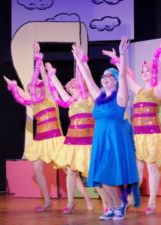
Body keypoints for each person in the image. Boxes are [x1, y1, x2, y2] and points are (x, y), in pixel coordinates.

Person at [102, 36, 161, 215]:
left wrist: (160, 51)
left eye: (148, 71)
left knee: (151, 167)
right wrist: (118, 58)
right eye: (143, 71)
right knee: (137, 168)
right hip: (137, 136)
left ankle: (152, 201)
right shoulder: (139, 90)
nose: (144, 73)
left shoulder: (158, 90)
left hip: (151, 135)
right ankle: (129, 198)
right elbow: (124, 75)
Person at [72, 36, 139, 221]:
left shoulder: (120, 97)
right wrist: (79, 60)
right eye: (104, 76)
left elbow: (124, 75)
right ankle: (110, 207)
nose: (105, 78)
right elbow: (87, 78)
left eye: (109, 75)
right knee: (97, 180)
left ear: (116, 81)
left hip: (113, 140)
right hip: (99, 140)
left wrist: (123, 54)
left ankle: (119, 205)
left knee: (104, 175)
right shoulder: (98, 98)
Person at [3, 44, 64, 212]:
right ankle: (47, 201)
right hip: (40, 141)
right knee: (37, 171)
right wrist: (13, 86)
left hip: (55, 139)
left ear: (40, 89)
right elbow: (21, 95)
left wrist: (38, 58)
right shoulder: (33, 104)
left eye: (33, 89)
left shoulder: (50, 97)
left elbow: (44, 78)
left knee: (69, 168)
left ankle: (86, 199)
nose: (31, 91)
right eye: (30, 90)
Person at [45, 61, 94, 213]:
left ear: (80, 86)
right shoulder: (70, 102)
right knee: (71, 171)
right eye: (70, 89)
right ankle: (71, 202)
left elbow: (89, 78)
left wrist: (81, 62)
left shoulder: (90, 100)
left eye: (73, 87)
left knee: (94, 171)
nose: (71, 91)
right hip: (71, 141)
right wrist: (51, 74)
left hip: (88, 142)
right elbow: (59, 89)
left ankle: (108, 202)